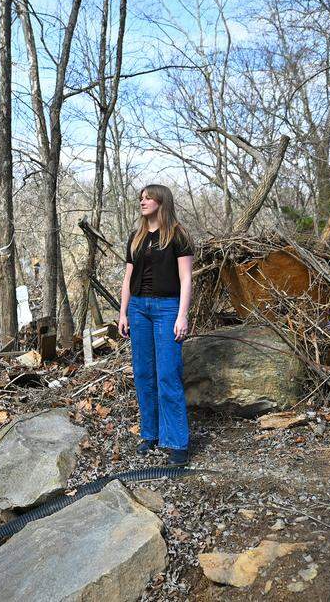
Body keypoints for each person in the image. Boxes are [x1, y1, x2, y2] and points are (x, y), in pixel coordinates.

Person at [117, 184, 194, 466]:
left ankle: (177, 442)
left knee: (168, 375)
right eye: (141, 197)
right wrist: (123, 312)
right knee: (143, 375)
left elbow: (186, 278)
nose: (143, 201)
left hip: (166, 309)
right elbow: (128, 279)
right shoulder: (136, 238)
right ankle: (149, 435)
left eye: (149, 197)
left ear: (162, 201)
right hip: (138, 309)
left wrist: (182, 315)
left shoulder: (178, 235)